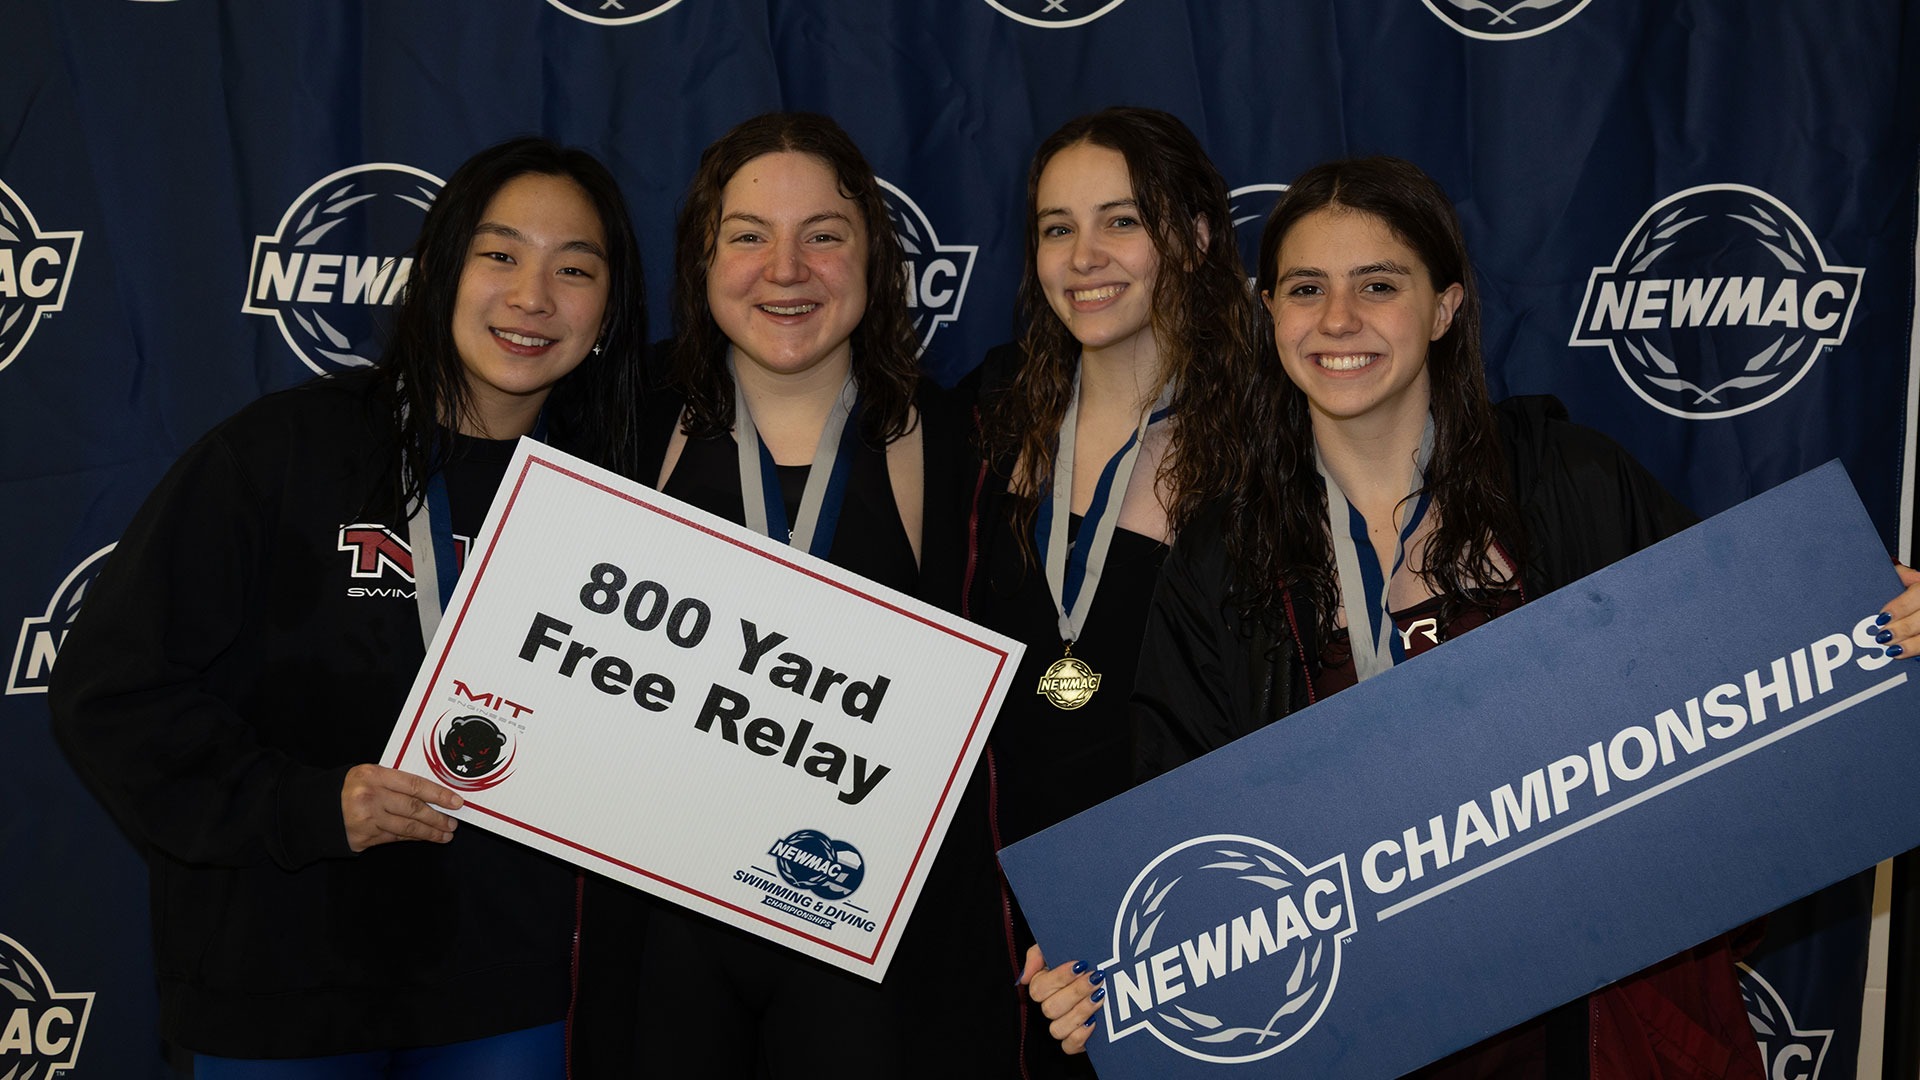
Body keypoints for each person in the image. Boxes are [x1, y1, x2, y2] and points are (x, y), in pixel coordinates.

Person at [1024, 154, 1920, 1076]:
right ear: (1269, 311)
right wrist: (1105, 967)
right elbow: (1181, 850)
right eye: (1306, 288)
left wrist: (1886, 629)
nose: (1339, 319)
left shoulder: (1570, 484)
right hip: (1357, 1046)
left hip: (1596, 1045)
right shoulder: (1222, 558)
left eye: (1379, 285)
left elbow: (1761, 694)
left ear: (1445, 308)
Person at [48, 136, 647, 1077]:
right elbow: (111, 692)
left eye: (575, 269)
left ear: (608, 310)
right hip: (279, 976)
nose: (533, 296)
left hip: (507, 989)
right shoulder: (280, 452)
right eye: (499, 254)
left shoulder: (620, 506)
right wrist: (306, 807)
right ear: (439, 270)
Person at [570, 110, 1001, 1079]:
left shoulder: (959, 442)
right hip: (664, 932)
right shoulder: (616, 427)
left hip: (874, 942)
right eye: (749, 236)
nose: (786, 270)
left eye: (824, 236)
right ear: (702, 256)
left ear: (874, 258)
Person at [957, 106, 1263, 1077]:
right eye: (1058, 227)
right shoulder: (986, 415)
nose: (1084, 256)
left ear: (1197, 236)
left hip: (1174, 931)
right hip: (983, 927)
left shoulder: (1265, 445)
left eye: (1122, 220)